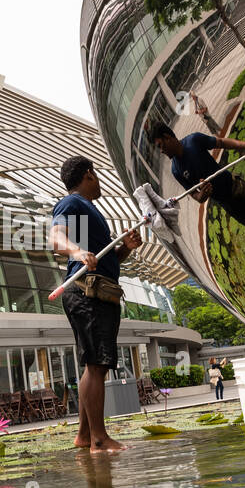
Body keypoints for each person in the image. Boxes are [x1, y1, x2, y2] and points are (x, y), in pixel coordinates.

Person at [49, 156, 142, 454]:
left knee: (97, 364)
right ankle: (100, 440)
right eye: (97, 174)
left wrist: (124, 248)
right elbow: (56, 238)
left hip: (99, 290)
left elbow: (106, 261)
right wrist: (77, 252)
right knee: (97, 364)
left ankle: (85, 436)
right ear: (88, 174)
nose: (99, 180)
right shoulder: (72, 204)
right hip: (85, 293)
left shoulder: (90, 210)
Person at [149, 123, 245, 242]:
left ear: (167, 137)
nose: (162, 151)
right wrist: (203, 195)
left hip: (235, 186)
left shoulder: (193, 140)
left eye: (160, 146)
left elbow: (221, 143)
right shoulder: (176, 170)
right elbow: (196, 196)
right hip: (225, 201)